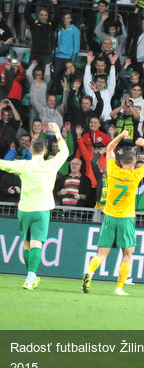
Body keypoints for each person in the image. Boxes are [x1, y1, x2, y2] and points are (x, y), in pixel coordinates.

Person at [82, 131, 144, 295]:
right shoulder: (135, 175)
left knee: (101, 254)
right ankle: (119, 288)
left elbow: (109, 149)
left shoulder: (113, 171)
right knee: (127, 255)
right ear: (134, 162)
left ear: (120, 161)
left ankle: (89, 272)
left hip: (109, 217)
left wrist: (121, 136)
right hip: (126, 219)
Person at [0, 123, 69, 289]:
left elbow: (3, 164)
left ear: (30, 151)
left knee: (26, 243)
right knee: (37, 243)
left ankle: (31, 276)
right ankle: (31, 277)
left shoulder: (24, 165)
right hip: (42, 209)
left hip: (24, 210)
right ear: (45, 151)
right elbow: (65, 152)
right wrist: (57, 133)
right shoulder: (51, 164)